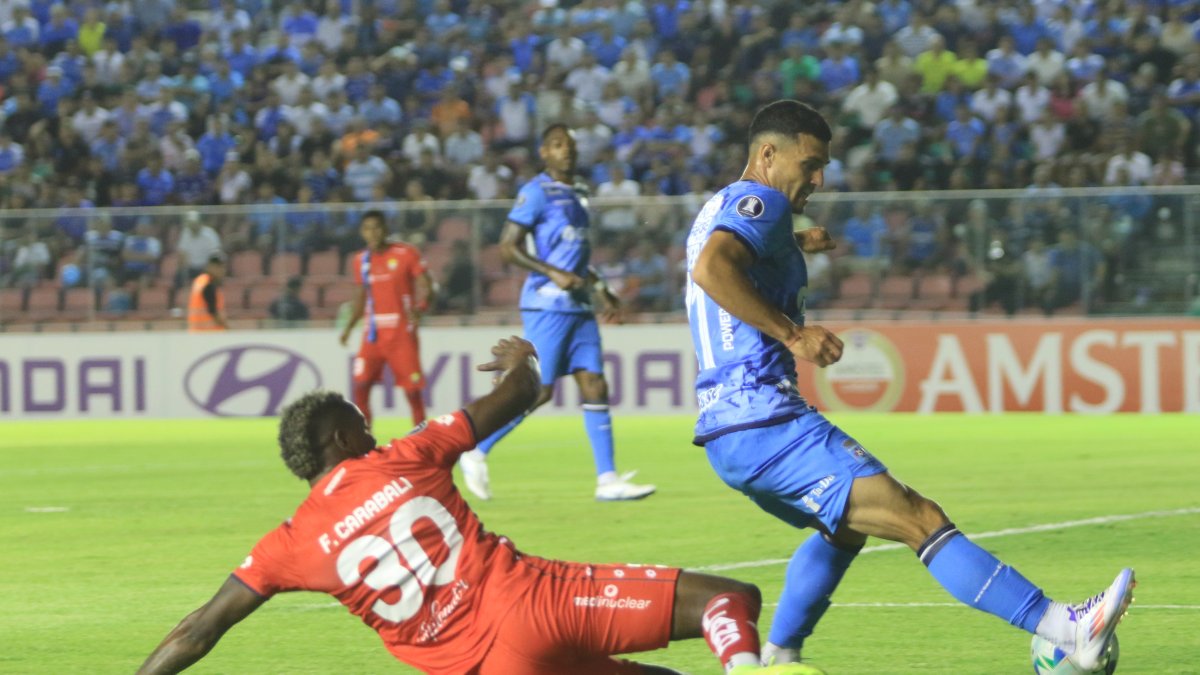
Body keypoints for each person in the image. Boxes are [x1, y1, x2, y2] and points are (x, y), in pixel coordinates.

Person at [683, 100, 1133, 672]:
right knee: (919, 517)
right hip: (764, 417)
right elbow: (712, 270)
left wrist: (794, 245)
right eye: (811, 163)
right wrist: (792, 334)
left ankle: (778, 655)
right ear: (767, 155)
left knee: (840, 532)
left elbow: (721, 258)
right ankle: (1066, 627)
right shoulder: (763, 202)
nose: (819, 178)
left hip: (731, 428)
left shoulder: (721, 206)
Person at [136, 337, 820, 675]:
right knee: (731, 601)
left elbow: (198, 630)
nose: (371, 429)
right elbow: (519, 391)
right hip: (530, 605)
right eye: (360, 423)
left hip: (479, 668)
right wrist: (522, 356)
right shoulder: (402, 455)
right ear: (342, 440)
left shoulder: (289, 543)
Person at [457, 124, 654, 503]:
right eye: (558, 145)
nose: (567, 151)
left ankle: (608, 479)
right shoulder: (534, 192)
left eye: (571, 144)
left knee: (595, 385)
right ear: (544, 153)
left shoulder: (579, 190)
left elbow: (576, 258)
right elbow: (507, 247)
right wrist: (552, 273)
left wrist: (601, 289)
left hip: (579, 306)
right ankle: (477, 449)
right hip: (547, 304)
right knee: (540, 389)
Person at [338, 210, 435, 429]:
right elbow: (361, 298)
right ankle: (365, 442)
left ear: (386, 229)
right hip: (373, 335)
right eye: (367, 228)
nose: (372, 233)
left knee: (412, 391)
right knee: (361, 386)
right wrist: (349, 328)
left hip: (401, 334)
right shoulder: (360, 260)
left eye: (377, 227)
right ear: (362, 232)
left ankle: (421, 440)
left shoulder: (406, 254)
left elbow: (427, 285)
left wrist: (421, 307)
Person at [187, 253, 227, 332]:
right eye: (217, 266)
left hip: (196, 333)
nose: (221, 270)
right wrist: (229, 329)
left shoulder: (200, 281)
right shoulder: (209, 285)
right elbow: (214, 313)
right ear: (209, 267)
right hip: (209, 335)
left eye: (221, 266)